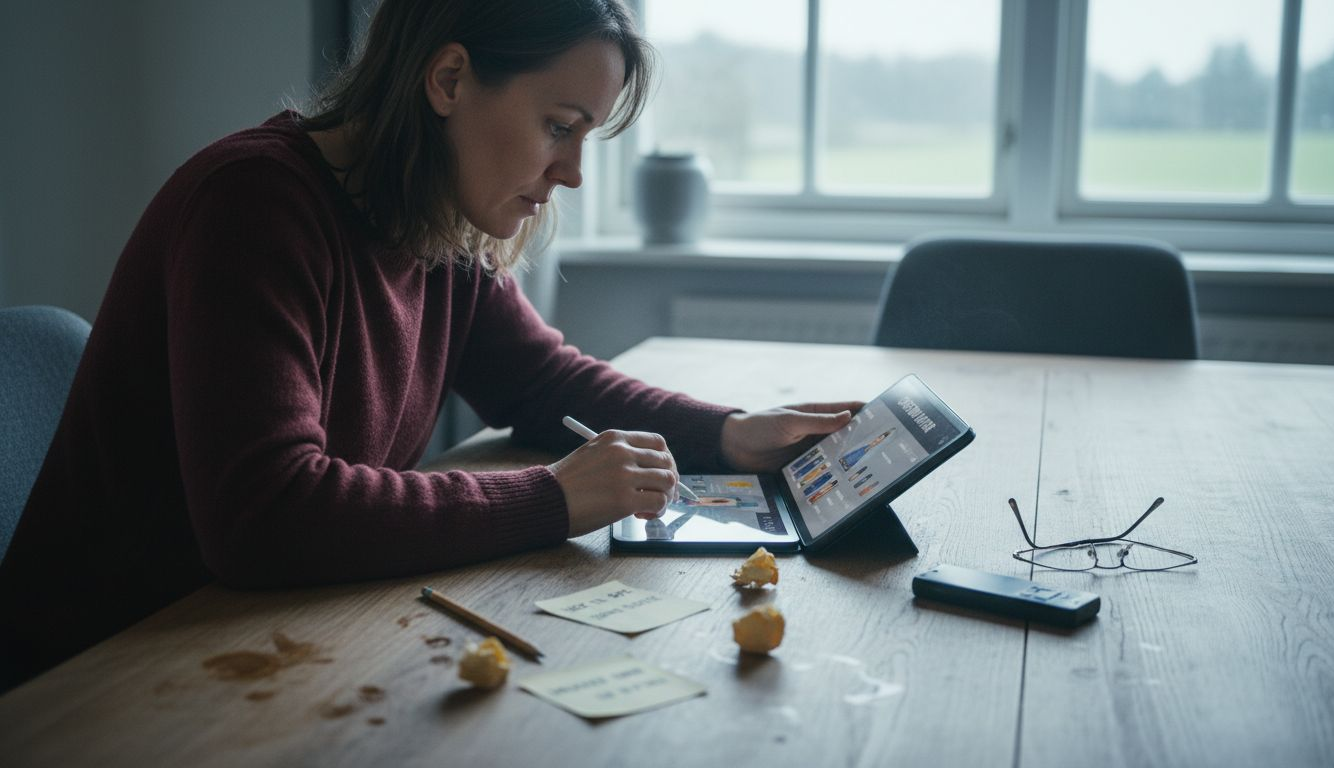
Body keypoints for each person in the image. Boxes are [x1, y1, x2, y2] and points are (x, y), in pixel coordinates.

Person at [0, 0, 861, 688]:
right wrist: (552, 499)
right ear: (449, 78)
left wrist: (729, 433)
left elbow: (535, 377)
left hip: (253, 635)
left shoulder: (435, 216)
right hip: (101, 676)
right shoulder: (251, 208)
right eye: (559, 125)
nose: (574, 174)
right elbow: (265, 516)